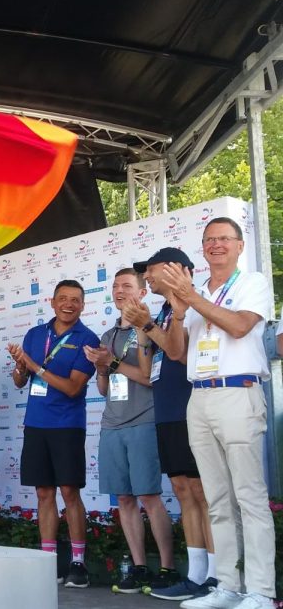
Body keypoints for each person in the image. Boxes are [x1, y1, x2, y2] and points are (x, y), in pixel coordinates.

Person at [159, 217, 276, 609]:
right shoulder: (195, 293)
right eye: (209, 239)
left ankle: (260, 591)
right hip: (200, 397)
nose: (216, 245)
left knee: (249, 497)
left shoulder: (252, 283)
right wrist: (178, 313)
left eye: (224, 238)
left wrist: (190, 297)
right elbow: (177, 353)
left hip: (238, 392)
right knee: (216, 498)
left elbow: (240, 326)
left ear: (240, 245)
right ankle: (226, 585)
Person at [125, 247, 217, 602]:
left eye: (151, 269)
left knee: (202, 492)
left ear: (176, 269)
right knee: (182, 489)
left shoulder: (196, 301)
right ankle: (196, 575)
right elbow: (149, 370)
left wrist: (148, 325)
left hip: (191, 406)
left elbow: (180, 352)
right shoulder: (164, 310)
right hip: (166, 410)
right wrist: (143, 328)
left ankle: (216, 575)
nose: (147, 276)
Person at [83, 268, 177, 594]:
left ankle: (167, 567)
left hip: (143, 419)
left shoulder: (149, 329)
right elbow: (103, 387)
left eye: (127, 286)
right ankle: (138, 567)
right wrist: (100, 368)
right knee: (124, 498)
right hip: (111, 423)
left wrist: (112, 363)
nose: (119, 291)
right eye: (115, 286)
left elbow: (149, 378)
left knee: (149, 495)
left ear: (142, 292)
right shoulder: (107, 335)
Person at [8, 280, 100, 588]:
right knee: (43, 493)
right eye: (63, 298)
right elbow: (20, 381)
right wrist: (20, 367)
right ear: (52, 301)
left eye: (75, 300)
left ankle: (78, 563)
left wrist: (34, 366)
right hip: (36, 424)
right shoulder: (35, 334)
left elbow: (73, 388)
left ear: (83, 305)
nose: (68, 304)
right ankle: (48, 560)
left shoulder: (88, 339)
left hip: (67, 425)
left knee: (70, 493)